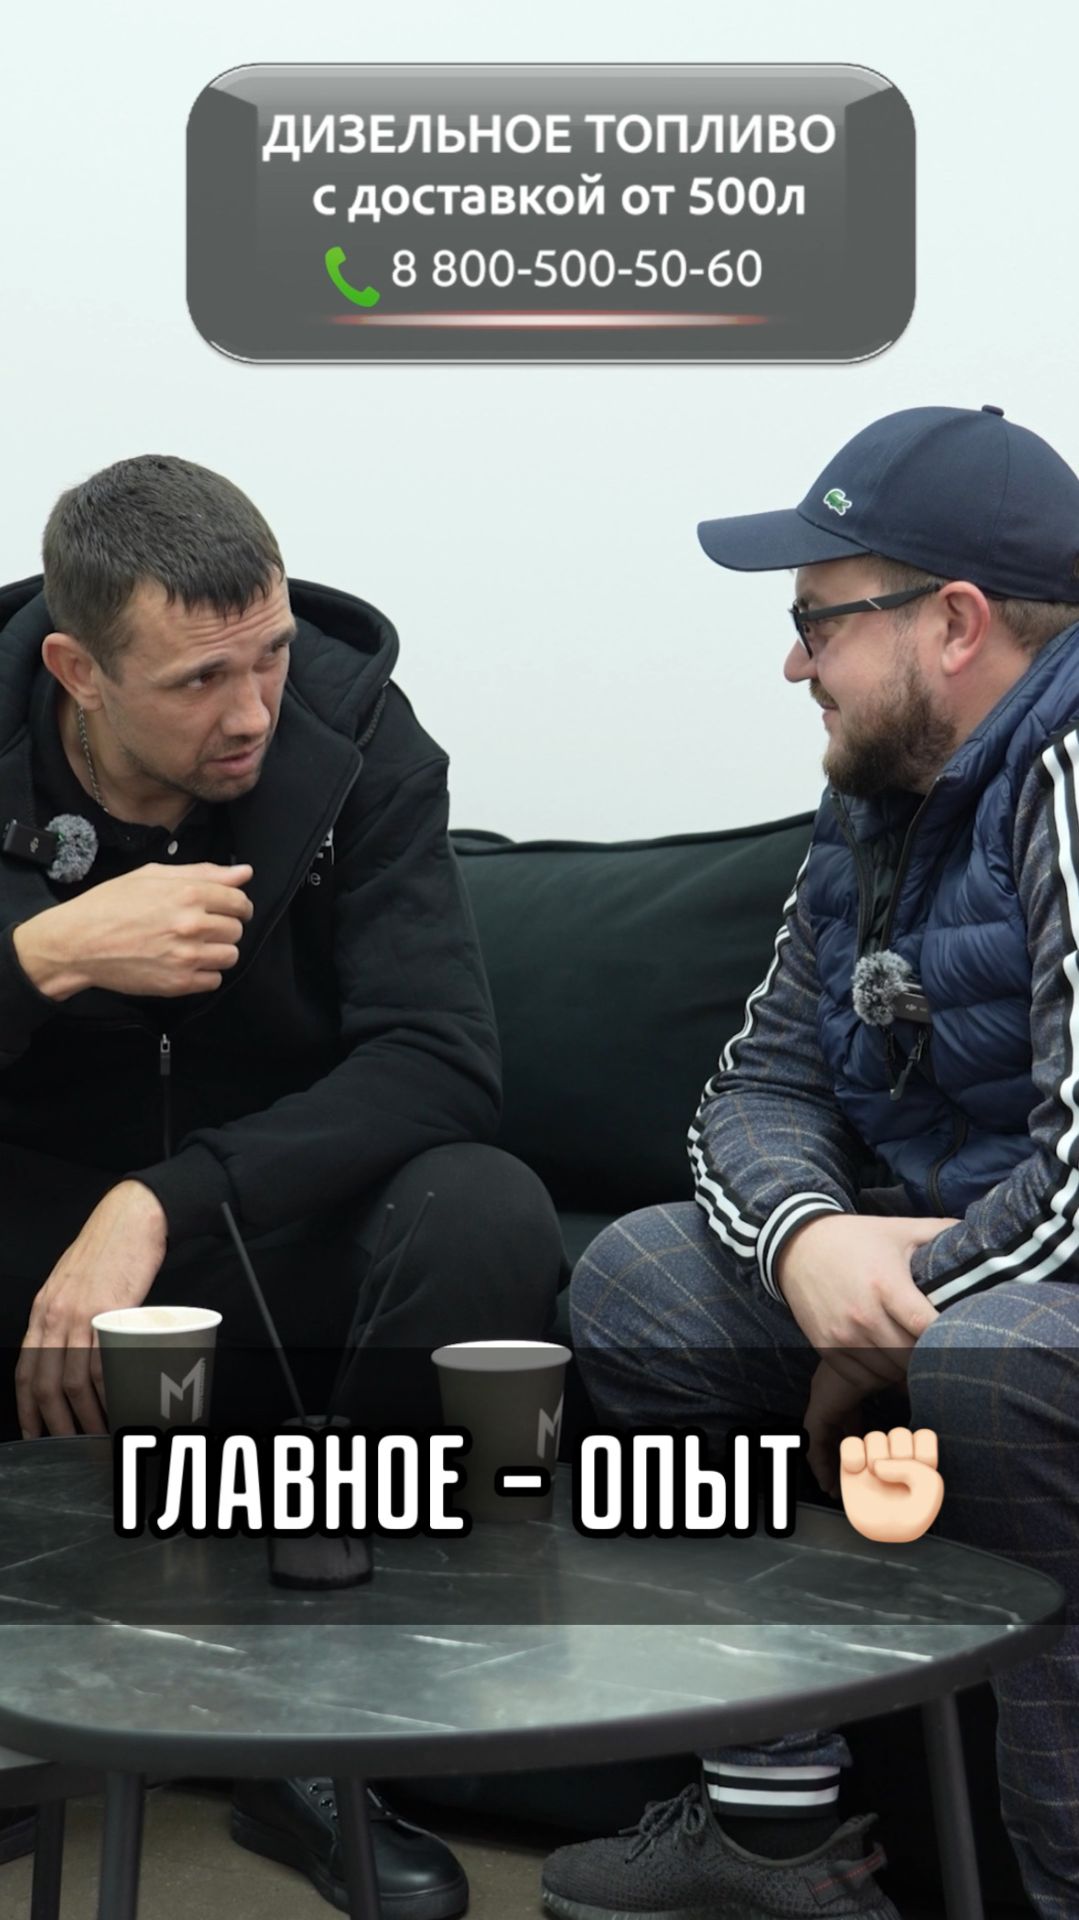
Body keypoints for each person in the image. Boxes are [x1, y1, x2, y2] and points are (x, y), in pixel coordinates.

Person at [0, 453, 564, 1917]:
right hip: (24, 1234)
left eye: (269, 656)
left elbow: (441, 1058)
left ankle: (313, 1731)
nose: (252, 709)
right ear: (77, 671)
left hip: (256, 1228)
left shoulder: (359, 738)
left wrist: (158, 1203)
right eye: (199, 679)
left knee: (482, 1205)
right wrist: (45, 954)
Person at [543, 405, 1079, 1920]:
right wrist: (803, 1247)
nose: (795, 665)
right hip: (947, 1269)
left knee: (993, 1361)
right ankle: (778, 1840)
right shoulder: (871, 799)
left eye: (818, 622)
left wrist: (901, 1309)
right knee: (639, 1281)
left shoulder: (1072, 774)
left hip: (1025, 1302)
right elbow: (762, 1082)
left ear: (955, 624)